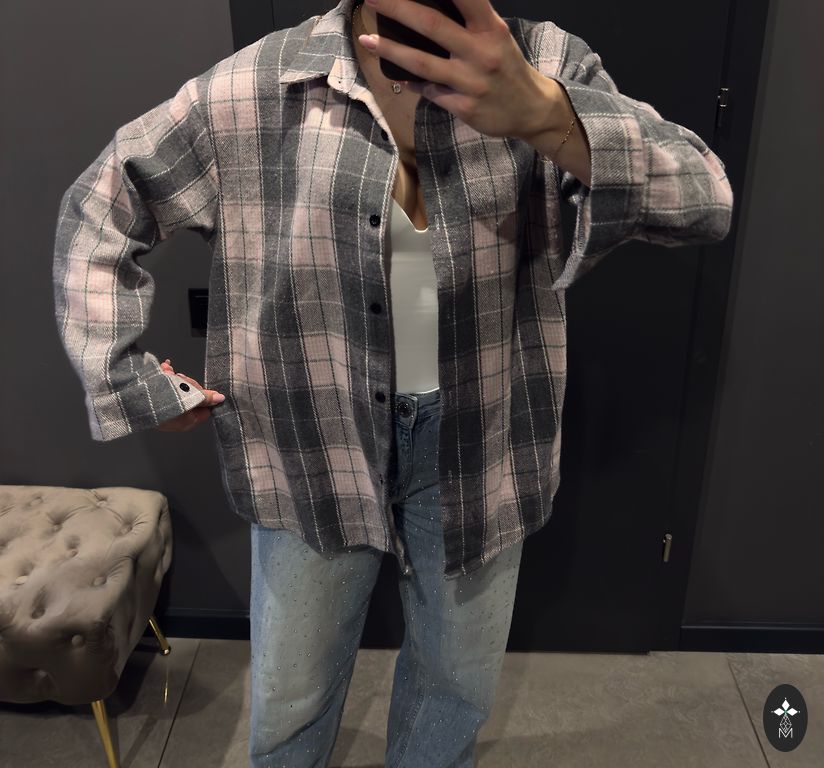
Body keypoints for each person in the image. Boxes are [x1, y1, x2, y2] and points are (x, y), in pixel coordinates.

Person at [52, 0, 734, 765]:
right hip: (311, 434)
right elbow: (100, 208)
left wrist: (548, 115)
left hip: (480, 435)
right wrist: (132, 382)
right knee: (291, 696)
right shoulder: (255, 87)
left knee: (454, 688)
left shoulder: (546, 65)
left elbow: (705, 200)